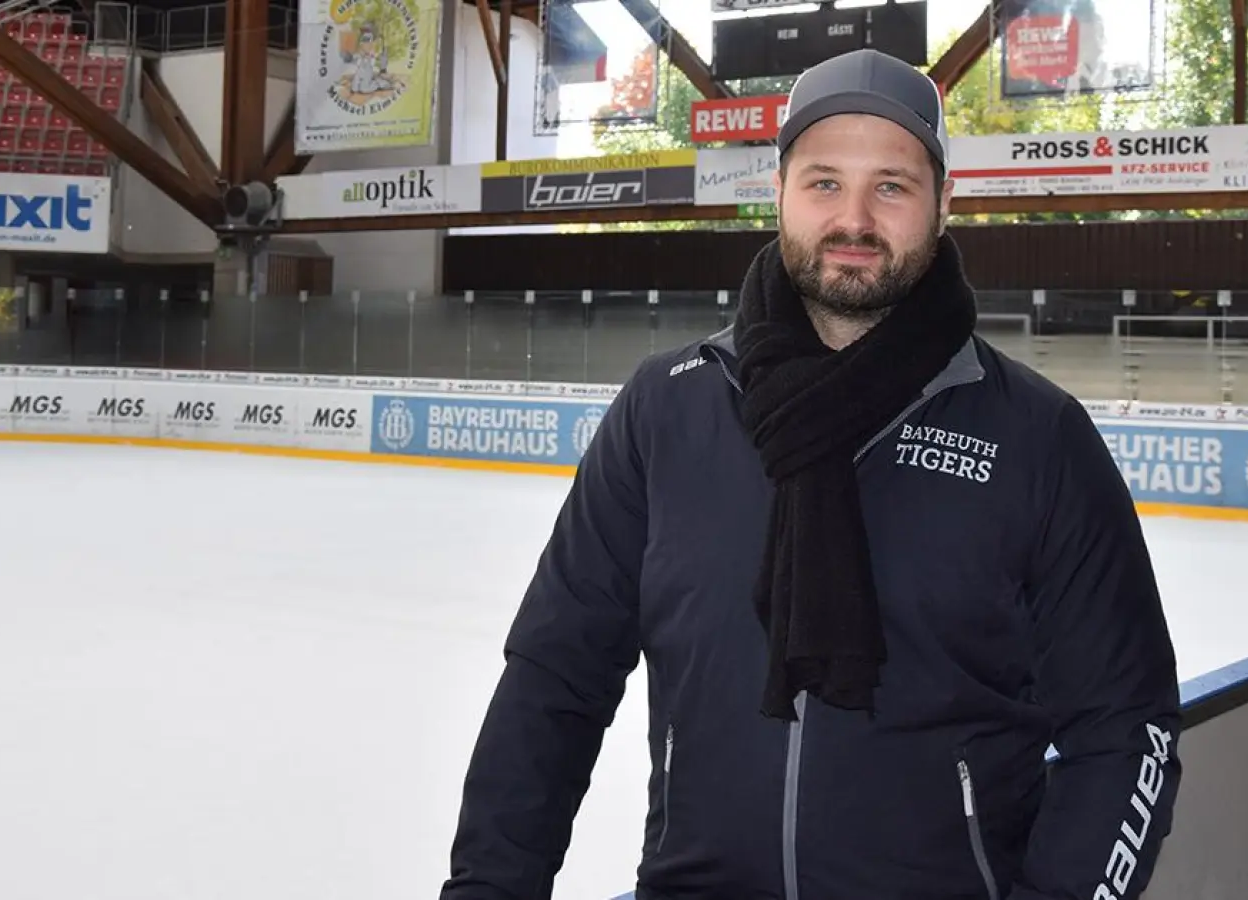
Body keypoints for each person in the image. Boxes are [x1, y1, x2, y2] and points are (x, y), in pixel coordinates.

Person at [440, 48, 1182, 900]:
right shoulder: (666, 412)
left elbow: (1128, 731)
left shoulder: (1036, 436)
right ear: (780, 194)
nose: (854, 218)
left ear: (945, 204)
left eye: (892, 186)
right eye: (824, 182)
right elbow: (553, 678)